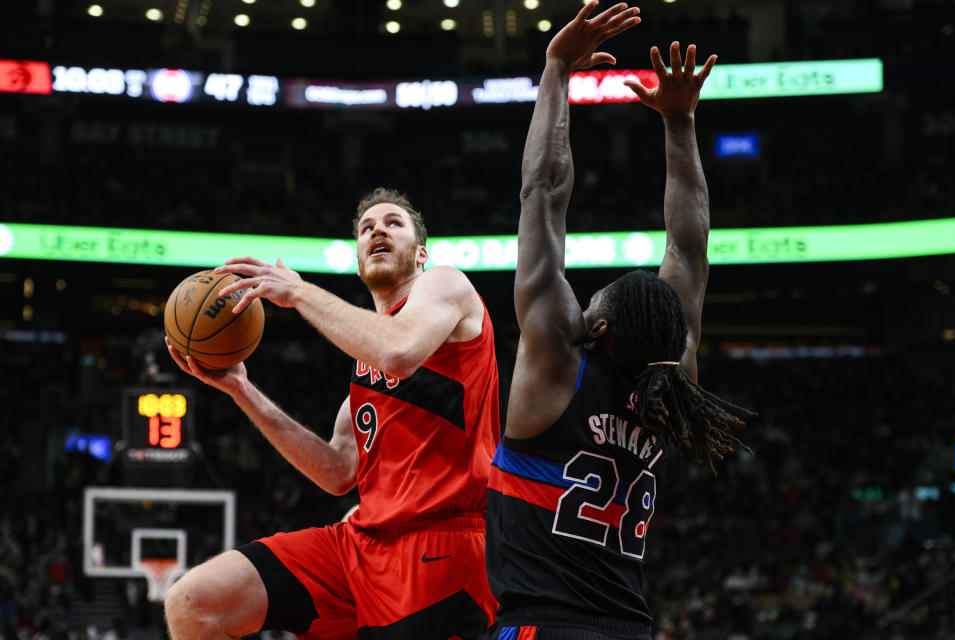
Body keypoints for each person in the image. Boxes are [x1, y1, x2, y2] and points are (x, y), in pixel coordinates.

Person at [485, 3, 755, 638]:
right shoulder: (671, 389)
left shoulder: (557, 364)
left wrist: (556, 69)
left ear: (597, 330)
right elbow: (687, 251)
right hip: (629, 627)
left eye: (593, 302)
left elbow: (544, 192)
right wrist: (681, 125)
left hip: (542, 624)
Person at [163, 187, 501, 639]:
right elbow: (337, 472)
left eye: (392, 223)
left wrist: (300, 292)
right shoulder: (363, 370)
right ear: (359, 261)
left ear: (421, 253)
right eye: (366, 228)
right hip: (360, 547)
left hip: (441, 546)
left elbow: (399, 350)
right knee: (195, 603)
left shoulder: (446, 284)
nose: (377, 229)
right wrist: (242, 390)